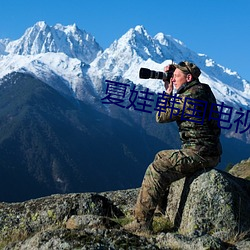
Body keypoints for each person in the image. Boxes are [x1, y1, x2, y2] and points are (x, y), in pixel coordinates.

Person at [124, 61, 222, 233]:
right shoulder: (202, 89)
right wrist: (174, 72)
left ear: (189, 78)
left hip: (199, 153)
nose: (173, 79)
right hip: (209, 151)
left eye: (177, 77)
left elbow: (160, 117)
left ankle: (141, 224)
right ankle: (162, 209)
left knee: (157, 168)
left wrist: (167, 92)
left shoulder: (188, 98)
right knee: (161, 156)